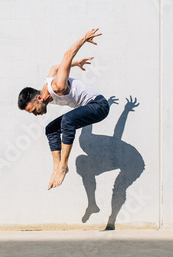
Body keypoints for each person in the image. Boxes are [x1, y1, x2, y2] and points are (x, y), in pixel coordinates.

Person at [18, 28, 110, 190]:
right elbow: (54, 68)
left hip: (99, 106)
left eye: (34, 110)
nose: (36, 114)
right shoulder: (45, 87)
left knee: (68, 121)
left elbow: (67, 54)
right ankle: (57, 167)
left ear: (39, 99)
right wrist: (76, 64)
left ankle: (63, 166)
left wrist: (83, 39)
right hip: (89, 107)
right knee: (51, 129)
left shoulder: (58, 86)